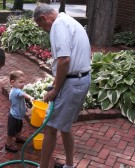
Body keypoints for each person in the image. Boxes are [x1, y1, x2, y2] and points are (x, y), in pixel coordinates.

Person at [33, 3, 91, 168]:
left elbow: (64, 60)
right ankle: (69, 165)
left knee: (50, 127)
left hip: (72, 83)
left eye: (41, 25)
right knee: (65, 127)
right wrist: (54, 85)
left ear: (44, 18)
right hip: (81, 80)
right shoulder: (68, 20)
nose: (43, 29)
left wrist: (56, 89)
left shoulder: (58, 25)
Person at [5, 70, 34, 153]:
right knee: (11, 132)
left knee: (18, 128)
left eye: (23, 82)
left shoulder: (18, 90)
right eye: (20, 82)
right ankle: (8, 144)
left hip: (18, 116)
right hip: (13, 116)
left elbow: (21, 96)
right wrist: (30, 97)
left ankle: (18, 138)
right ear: (12, 82)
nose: (23, 84)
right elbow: (23, 95)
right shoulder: (15, 91)